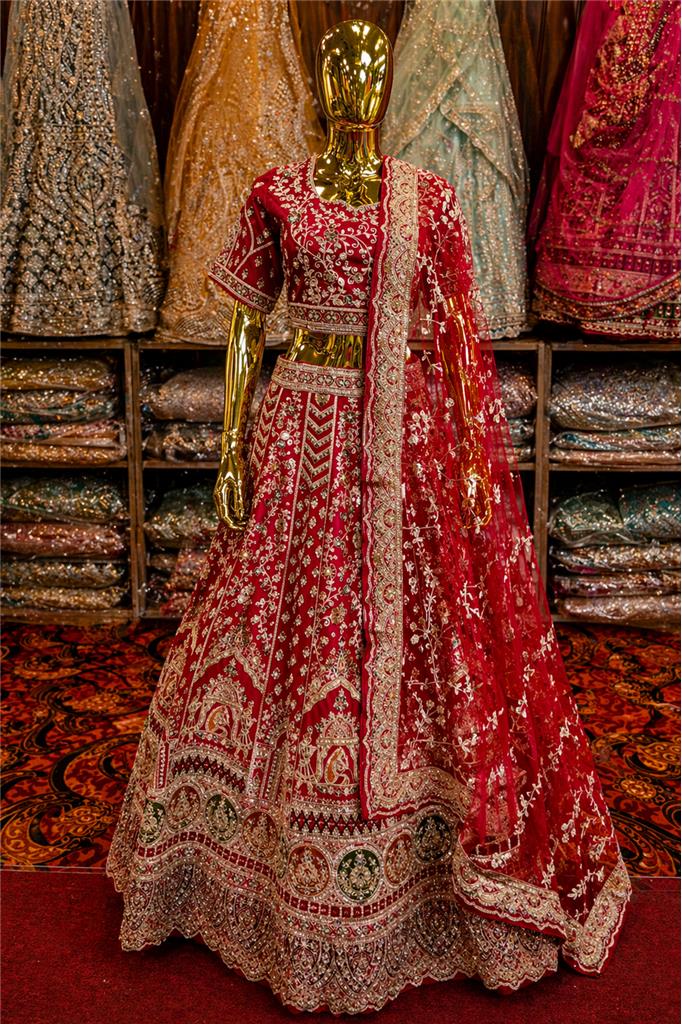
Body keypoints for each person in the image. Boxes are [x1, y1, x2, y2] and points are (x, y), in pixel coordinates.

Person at [107, 20, 630, 1015]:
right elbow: (244, 325)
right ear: (322, 79)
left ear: (386, 81)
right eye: (340, 62)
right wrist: (228, 448)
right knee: (272, 615)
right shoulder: (279, 191)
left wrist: (471, 460)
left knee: (423, 633)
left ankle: (425, 857)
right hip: (301, 422)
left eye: (370, 63)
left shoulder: (426, 199)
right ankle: (239, 852)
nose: (354, 77)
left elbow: (455, 334)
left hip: (402, 435)